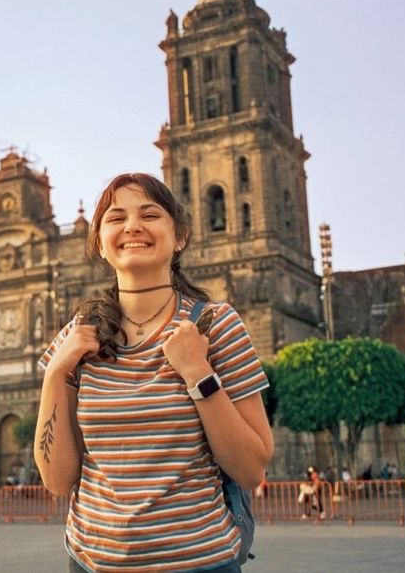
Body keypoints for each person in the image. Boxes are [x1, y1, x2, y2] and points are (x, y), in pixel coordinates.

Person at [34, 173, 273, 573]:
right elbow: (58, 481)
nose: (132, 227)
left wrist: (198, 371)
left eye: (150, 214)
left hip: (200, 563)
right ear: (99, 244)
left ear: (179, 236)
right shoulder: (77, 336)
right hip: (91, 562)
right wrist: (56, 372)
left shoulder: (215, 326)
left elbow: (251, 470)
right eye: (115, 218)